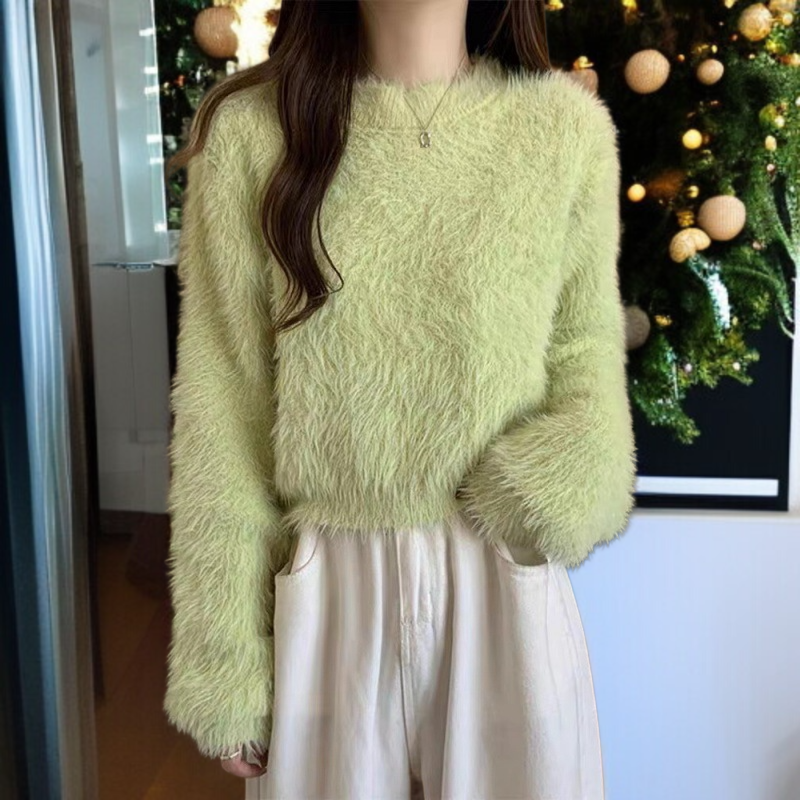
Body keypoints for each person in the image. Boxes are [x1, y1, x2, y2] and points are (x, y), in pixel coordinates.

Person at [163, 0, 638, 798]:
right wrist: (226, 653)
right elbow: (225, 405)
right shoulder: (253, 132)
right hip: (330, 589)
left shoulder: (563, 128)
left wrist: (558, 482)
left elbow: (583, 350)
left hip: (500, 573)